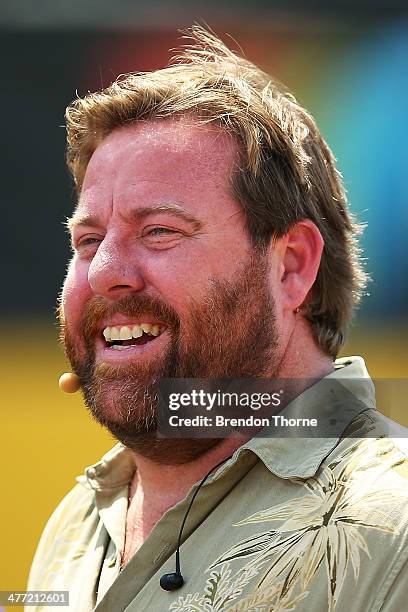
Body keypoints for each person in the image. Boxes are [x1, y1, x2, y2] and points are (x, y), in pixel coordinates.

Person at [27, 26, 408, 611]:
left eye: (159, 231)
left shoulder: (394, 524)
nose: (103, 271)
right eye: (87, 239)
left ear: (292, 266)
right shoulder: (79, 523)